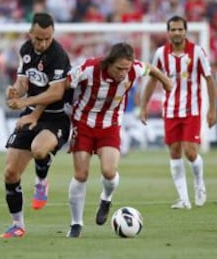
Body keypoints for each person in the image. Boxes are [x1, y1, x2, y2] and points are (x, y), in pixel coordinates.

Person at [64, 42, 172, 237]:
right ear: (108, 63)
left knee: (109, 171)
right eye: (119, 68)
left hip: (110, 125)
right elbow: (64, 82)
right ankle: (76, 224)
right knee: (81, 175)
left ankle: (106, 198)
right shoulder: (89, 69)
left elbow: (151, 68)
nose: (123, 73)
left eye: (127, 68)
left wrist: (165, 81)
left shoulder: (134, 69)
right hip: (83, 124)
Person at [0, 12, 71, 238]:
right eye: (39, 38)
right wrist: (15, 91)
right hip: (30, 113)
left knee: (39, 149)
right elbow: (23, 82)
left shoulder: (58, 55)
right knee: (10, 173)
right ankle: (17, 225)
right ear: (30, 34)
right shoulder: (25, 50)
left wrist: (25, 102)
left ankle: (41, 182)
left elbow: (56, 92)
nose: (43, 43)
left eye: (48, 38)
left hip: (55, 116)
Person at [140, 15, 217, 210]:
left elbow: (209, 80)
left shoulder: (197, 52)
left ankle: (199, 184)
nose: (176, 33)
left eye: (180, 29)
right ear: (168, 33)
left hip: (191, 109)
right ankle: (183, 199)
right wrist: (144, 106)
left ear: (185, 31)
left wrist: (212, 109)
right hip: (170, 110)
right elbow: (153, 80)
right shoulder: (160, 54)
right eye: (173, 29)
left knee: (190, 152)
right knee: (174, 152)